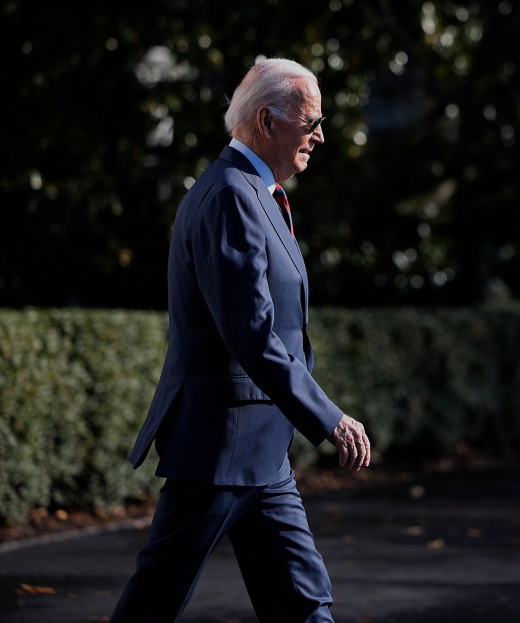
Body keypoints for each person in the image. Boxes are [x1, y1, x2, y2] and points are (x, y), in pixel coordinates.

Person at [111, 57, 371, 623]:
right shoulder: (231, 194)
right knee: (154, 603)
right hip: (220, 448)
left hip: (261, 449)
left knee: (305, 603)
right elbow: (251, 332)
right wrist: (329, 417)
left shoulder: (254, 191)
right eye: (311, 123)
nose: (320, 136)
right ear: (267, 121)